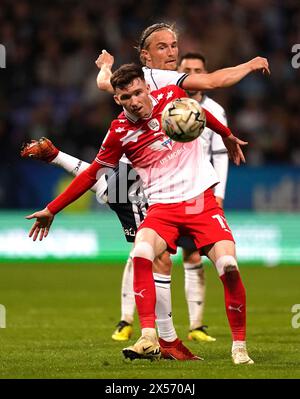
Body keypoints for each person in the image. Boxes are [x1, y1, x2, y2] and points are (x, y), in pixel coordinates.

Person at [22, 23, 269, 350]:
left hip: (168, 184)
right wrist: (250, 64)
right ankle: (157, 336)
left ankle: (165, 334)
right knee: (152, 252)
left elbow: (104, 84)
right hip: (144, 179)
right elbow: (211, 81)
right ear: (145, 55)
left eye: (174, 46)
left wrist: (105, 68)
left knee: (157, 247)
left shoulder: (162, 87)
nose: (173, 54)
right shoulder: (155, 82)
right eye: (164, 47)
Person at [176, 52, 229, 342]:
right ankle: (132, 322)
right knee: (150, 252)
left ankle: (195, 326)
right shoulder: (167, 102)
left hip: (199, 190)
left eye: (198, 69)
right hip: (166, 189)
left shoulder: (215, 111)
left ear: (205, 72)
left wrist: (218, 194)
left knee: (193, 252)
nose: (193, 73)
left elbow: (221, 155)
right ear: (179, 73)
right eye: (187, 69)